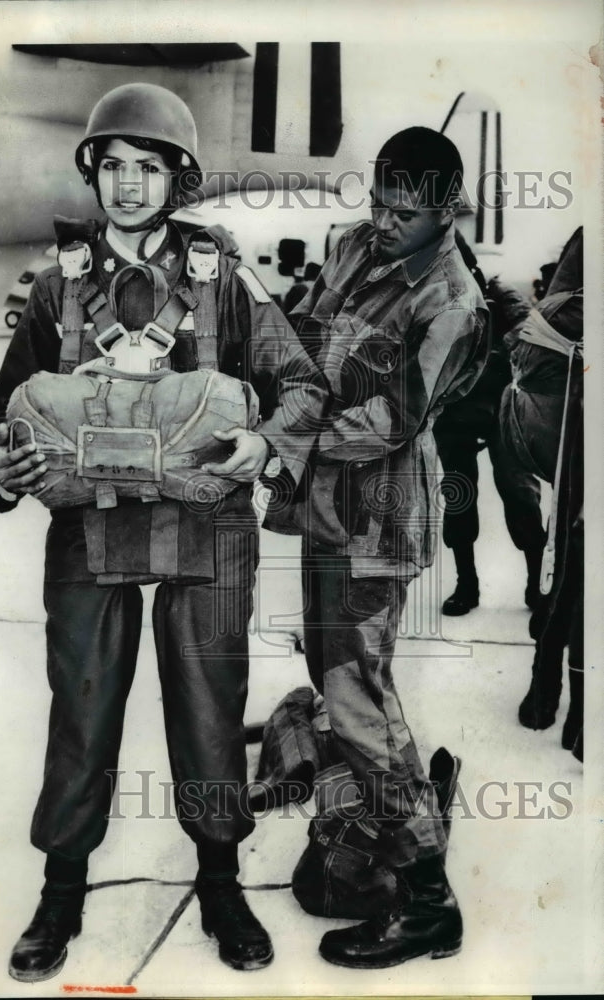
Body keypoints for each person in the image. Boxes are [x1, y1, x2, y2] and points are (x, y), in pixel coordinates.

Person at [0, 83, 325, 983]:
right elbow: (2, 418)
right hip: (90, 532)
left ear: (179, 177)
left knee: (208, 713)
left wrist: (260, 439)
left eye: (149, 167)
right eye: (114, 166)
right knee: (82, 712)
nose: (129, 186)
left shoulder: (227, 278)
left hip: (206, 526)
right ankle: (61, 891)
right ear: (93, 172)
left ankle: (219, 883)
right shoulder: (56, 285)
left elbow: (302, 387)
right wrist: (2, 469)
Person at [270, 126, 488, 968]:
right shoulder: (356, 246)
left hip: (376, 519)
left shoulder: (449, 301)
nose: (382, 222)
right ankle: (366, 833)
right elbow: (309, 333)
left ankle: (428, 900)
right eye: (377, 203)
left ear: (443, 208)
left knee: (358, 697)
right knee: (334, 676)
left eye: (402, 212)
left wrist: (279, 436)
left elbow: (387, 423)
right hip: (326, 509)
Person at [499, 227, 583, 758]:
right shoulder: (586, 243)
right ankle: (550, 679)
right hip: (575, 406)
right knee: (572, 556)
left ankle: (561, 688)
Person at [434, 235, 545, 616]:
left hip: (502, 410)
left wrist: (487, 356)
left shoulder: (499, 295)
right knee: (458, 497)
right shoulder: (433, 300)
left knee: (520, 493)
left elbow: (530, 335)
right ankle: (467, 584)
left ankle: (538, 581)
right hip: (454, 414)